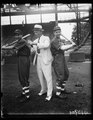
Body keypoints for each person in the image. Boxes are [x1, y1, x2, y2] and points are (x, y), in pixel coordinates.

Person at [2, 29, 31, 102]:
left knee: (23, 76)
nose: (17, 36)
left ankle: (27, 96)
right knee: (21, 76)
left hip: (24, 59)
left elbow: (12, 48)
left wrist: (3, 47)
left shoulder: (22, 41)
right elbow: (13, 47)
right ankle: (24, 92)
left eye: (18, 34)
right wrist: (7, 45)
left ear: (21, 35)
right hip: (21, 59)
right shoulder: (19, 41)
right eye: (16, 35)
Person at [28, 24, 53, 101]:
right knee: (40, 76)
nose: (36, 32)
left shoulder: (46, 38)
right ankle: (43, 89)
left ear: (41, 31)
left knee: (48, 77)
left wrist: (34, 44)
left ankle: (49, 94)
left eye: (37, 31)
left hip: (46, 59)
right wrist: (29, 45)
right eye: (35, 31)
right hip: (38, 58)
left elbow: (46, 45)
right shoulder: (35, 40)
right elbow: (34, 50)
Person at [51, 26, 76, 99]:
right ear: (54, 33)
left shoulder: (60, 39)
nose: (58, 33)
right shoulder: (54, 40)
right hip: (57, 58)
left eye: (59, 32)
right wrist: (71, 45)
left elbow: (65, 46)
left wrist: (71, 44)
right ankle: (58, 93)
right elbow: (62, 48)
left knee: (66, 74)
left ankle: (62, 89)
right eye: (56, 32)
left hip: (62, 57)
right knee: (60, 75)